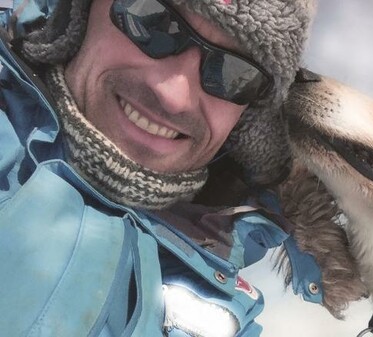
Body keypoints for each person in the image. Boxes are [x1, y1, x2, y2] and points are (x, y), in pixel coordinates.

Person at [0, 0, 322, 336]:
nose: (174, 96)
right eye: (152, 21)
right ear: (79, 13)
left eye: (232, 73)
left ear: (249, 120)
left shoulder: (221, 318)